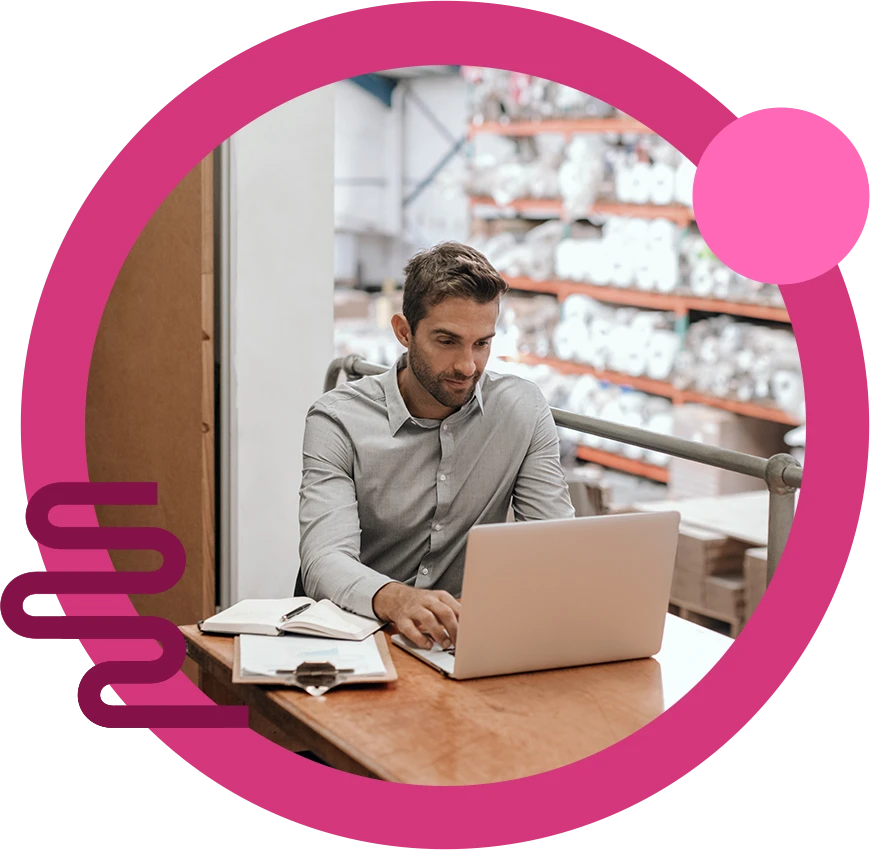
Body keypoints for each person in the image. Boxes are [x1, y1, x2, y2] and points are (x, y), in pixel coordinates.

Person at [297, 241, 575, 651]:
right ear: (404, 332)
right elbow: (323, 561)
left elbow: (556, 545)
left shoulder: (522, 409)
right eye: (447, 341)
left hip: (460, 642)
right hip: (360, 638)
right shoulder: (337, 420)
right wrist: (396, 598)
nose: (467, 366)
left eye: (482, 343)